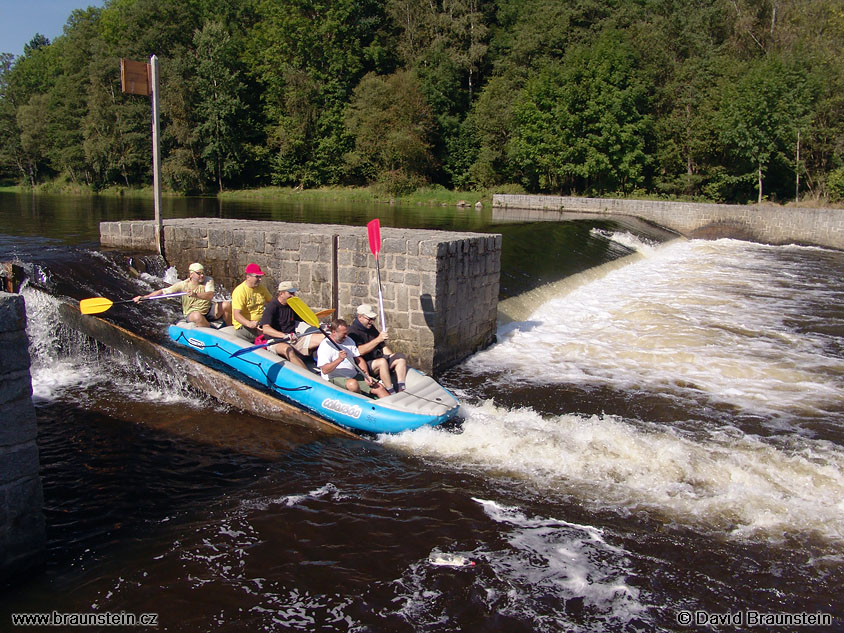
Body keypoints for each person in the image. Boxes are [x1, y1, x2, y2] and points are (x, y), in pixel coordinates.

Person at [133, 262, 231, 327]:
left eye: (202, 273)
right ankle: (211, 332)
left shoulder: (208, 280)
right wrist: (144, 297)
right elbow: (163, 292)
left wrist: (195, 295)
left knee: (226, 305)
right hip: (192, 313)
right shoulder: (182, 285)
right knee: (197, 316)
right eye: (199, 273)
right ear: (191, 274)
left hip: (208, 310)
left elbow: (209, 295)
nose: (202, 275)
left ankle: (231, 329)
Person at [258, 281, 326, 368]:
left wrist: (322, 326)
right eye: (290, 293)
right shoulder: (272, 306)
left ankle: (323, 366)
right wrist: (284, 336)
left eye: (293, 293)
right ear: (281, 293)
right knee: (288, 349)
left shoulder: (292, 305)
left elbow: (305, 319)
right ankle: (308, 376)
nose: (293, 296)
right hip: (275, 341)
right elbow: (266, 329)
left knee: (323, 338)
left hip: (293, 338)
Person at [316, 319, 389, 399]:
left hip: (353, 375)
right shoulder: (325, 346)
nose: (346, 336)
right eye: (343, 334)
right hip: (334, 378)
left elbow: (358, 359)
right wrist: (339, 359)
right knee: (353, 384)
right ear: (334, 332)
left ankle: (393, 408)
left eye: (346, 333)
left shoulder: (349, 340)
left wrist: (366, 375)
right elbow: (325, 370)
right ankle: (363, 403)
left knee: (379, 387)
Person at [347, 303, 408, 393]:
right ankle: (390, 390)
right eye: (369, 319)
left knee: (400, 357)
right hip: (366, 365)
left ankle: (401, 388)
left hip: (378, 359)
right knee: (382, 362)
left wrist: (391, 358)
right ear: (360, 317)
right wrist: (378, 339)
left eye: (373, 319)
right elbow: (359, 351)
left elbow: (383, 347)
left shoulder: (371, 328)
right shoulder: (353, 332)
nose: (372, 321)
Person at [231, 263, 273, 342]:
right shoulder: (240, 291)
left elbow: (272, 303)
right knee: (268, 334)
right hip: (243, 326)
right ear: (248, 277)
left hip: (260, 323)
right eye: (257, 276)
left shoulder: (261, 288)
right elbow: (236, 315)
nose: (260, 279)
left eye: (260, 277)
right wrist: (249, 323)